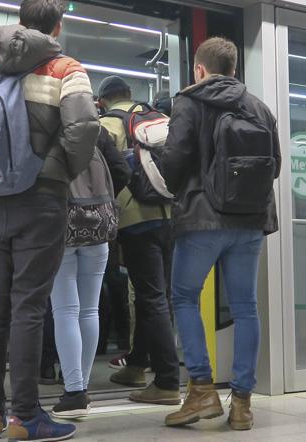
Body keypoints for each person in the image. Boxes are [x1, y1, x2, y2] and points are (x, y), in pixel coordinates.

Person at [0, 0, 99, 442]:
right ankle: (25, 416)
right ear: (56, 27)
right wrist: (56, 172)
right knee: (27, 307)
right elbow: (84, 128)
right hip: (40, 201)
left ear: (19, 23)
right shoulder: (66, 69)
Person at [156, 37, 280, 431]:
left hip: (202, 219)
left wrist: (172, 190)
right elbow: (274, 166)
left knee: (185, 297)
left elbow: (174, 157)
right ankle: (242, 403)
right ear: (234, 69)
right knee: (245, 307)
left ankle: (201, 390)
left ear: (199, 70)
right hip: (250, 221)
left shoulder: (190, 101)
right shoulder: (259, 107)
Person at [98, 76, 181, 404]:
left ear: (103, 101)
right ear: (129, 96)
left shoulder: (108, 125)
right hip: (171, 216)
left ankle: (167, 381)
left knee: (151, 299)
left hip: (135, 220)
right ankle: (136, 366)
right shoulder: (155, 118)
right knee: (160, 296)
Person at [50, 125, 130, 418]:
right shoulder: (98, 131)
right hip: (98, 224)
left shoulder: (47, 129)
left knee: (66, 311)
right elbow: (122, 170)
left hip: (61, 227)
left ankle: (73, 392)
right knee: (89, 309)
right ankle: (81, 387)